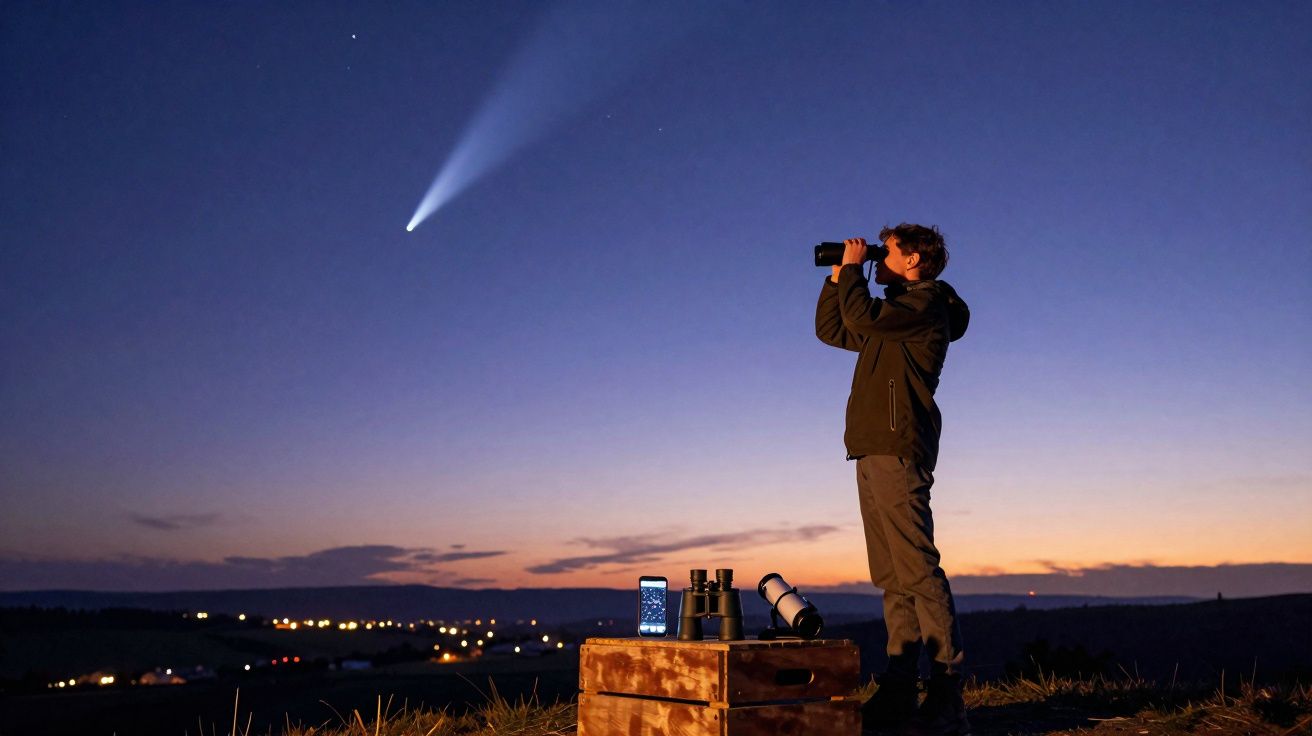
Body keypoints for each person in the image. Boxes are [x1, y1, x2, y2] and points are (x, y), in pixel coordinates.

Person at [814, 224, 972, 735]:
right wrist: (837, 279)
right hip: (871, 449)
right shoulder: (894, 314)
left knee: (918, 571)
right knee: (891, 576)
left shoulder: (924, 305)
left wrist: (855, 273)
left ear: (916, 261)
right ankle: (900, 686)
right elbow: (836, 331)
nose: (879, 259)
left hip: (898, 448)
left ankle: (947, 693)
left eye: (889, 253)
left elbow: (862, 315)